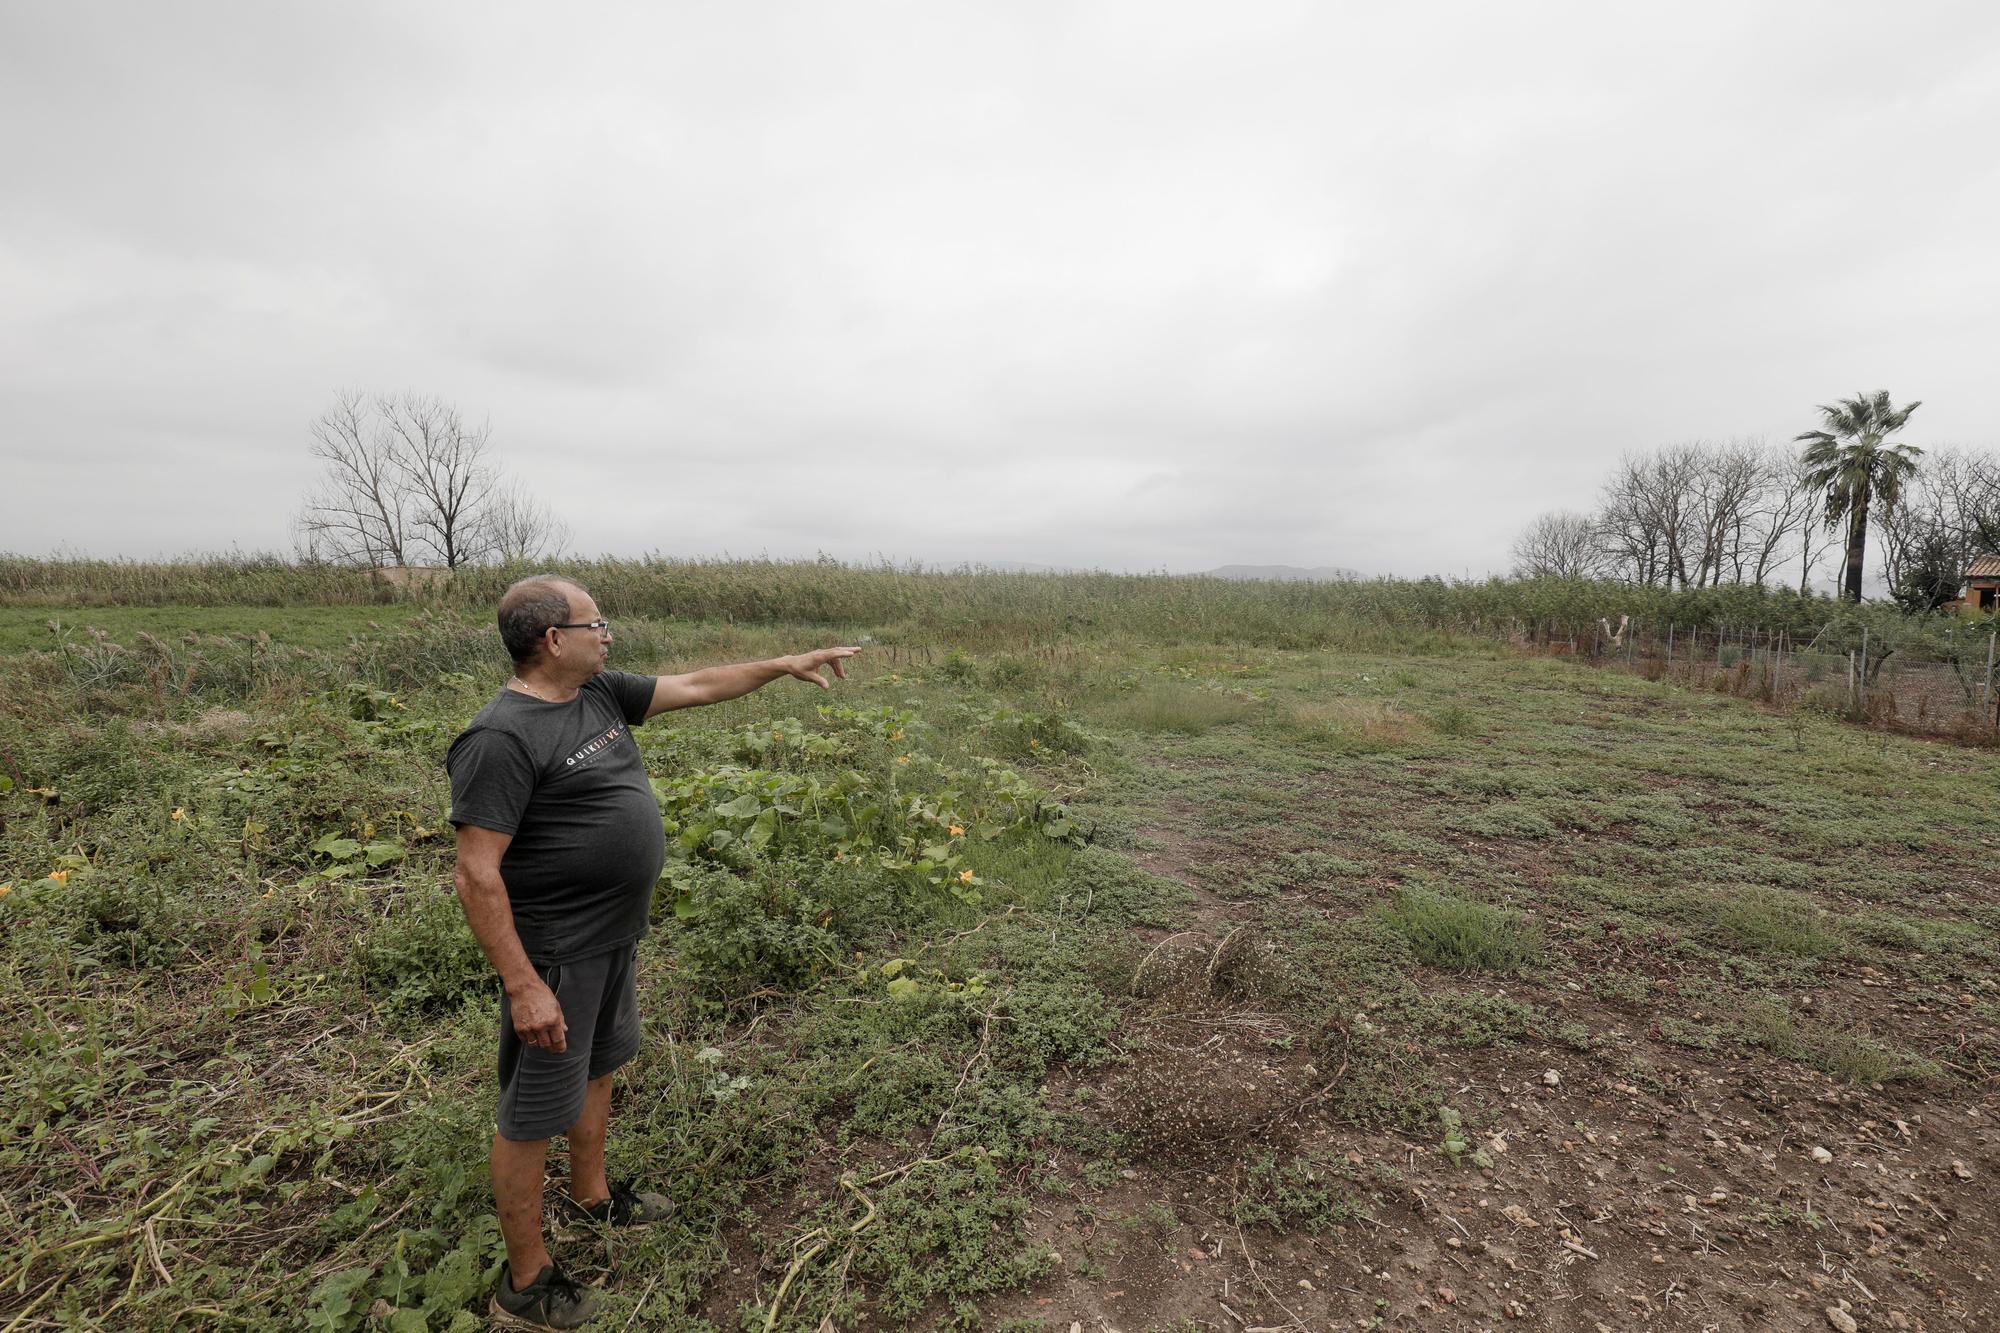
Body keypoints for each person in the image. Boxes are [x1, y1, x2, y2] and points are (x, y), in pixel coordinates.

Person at [447, 574, 858, 1329]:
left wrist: (783, 661)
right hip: (558, 955)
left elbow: (700, 684)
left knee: (601, 1066)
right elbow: (477, 873)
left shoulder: (598, 694)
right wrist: (523, 984)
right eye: (595, 621)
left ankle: (594, 1195)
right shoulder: (500, 736)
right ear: (552, 640)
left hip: (612, 939)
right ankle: (527, 1281)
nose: (608, 632)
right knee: (531, 1111)